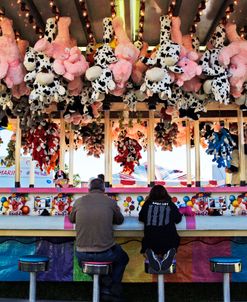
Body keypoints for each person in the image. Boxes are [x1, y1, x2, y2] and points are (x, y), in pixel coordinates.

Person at [69, 178, 129, 302]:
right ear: (103, 189)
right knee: (123, 257)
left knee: (95, 263)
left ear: (88, 189)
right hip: (105, 253)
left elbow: (71, 219)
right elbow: (120, 220)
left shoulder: (78, 202)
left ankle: (105, 283)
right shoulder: (110, 202)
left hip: (81, 255)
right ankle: (112, 285)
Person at [138, 185, 182, 272]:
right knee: (173, 241)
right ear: (165, 194)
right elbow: (178, 219)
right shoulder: (170, 204)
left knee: (146, 245)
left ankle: (149, 252)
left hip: (150, 240)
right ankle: (170, 251)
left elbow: (141, 218)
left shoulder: (147, 204)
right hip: (169, 240)